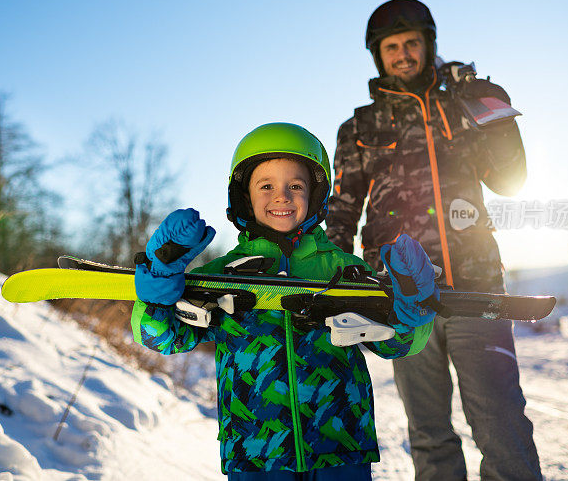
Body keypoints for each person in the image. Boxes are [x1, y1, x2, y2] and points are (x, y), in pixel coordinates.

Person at [131, 122, 437, 479]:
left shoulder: (343, 269)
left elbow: (398, 345)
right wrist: (158, 288)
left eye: (295, 185)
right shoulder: (222, 274)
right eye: (266, 186)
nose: (282, 196)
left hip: (341, 449)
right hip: (256, 452)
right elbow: (160, 337)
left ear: (316, 195)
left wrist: (413, 306)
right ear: (244, 196)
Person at [325, 0, 542, 480]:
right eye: (392, 47)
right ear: (378, 56)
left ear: (429, 46)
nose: (403, 54)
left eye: (412, 44)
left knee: (501, 423)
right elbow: (341, 212)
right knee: (428, 431)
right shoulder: (358, 128)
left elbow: (508, 180)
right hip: (401, 296)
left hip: (476, 288)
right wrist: (336, 281)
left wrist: (496, 110)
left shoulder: (462, 108)